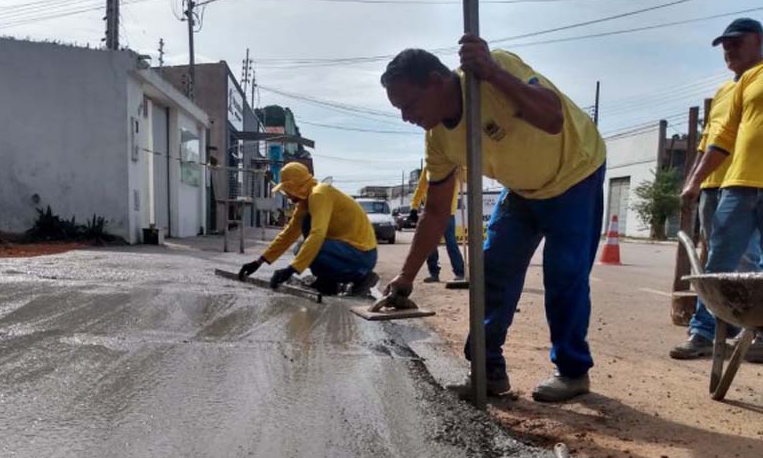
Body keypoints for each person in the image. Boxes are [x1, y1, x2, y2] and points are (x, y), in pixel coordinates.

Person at [380, 36, 607, 403]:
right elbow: (436, 211)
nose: (406, 117)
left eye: (409, 104)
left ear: (437, 81)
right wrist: (406, 276)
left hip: (574, 173)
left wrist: (494, 74)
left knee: (565, 274)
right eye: (399, 109)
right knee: (492, 272)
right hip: (521, 189)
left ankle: (572, 372)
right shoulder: (438, 139)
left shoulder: (491, 71)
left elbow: (551, 118)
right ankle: (488, 372)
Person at [672, 18, 763, 363]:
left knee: (753, 264)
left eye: (736, 42)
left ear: (758, 40)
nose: (728, 49)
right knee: (717, 264)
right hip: (737, 183)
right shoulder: (738, 86)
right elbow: (720, 137)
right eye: (724, 44)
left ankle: (756, 334)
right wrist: (694, 179)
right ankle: (704, 332)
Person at [238, 162, 380, 296]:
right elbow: (288, 234)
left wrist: (291, 270)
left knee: (307, 243)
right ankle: (328, 282)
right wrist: (258, 262)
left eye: (287, 190)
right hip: (347, 250)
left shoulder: (320, 194)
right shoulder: (306, 202)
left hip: (362, 254)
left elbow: (317, 233)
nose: (287, 195)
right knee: (300, 246)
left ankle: (362, 278)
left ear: (295, 186)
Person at [410, 167, 466, 283]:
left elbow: (466, 177)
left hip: (447, 212)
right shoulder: (429, 167)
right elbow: (421, 188)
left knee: (451, 243)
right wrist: (414, 207)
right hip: (431, 211)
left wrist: (462, 168)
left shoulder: (455, 165)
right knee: (430, 244)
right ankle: (434, 273)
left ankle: (460, 272)